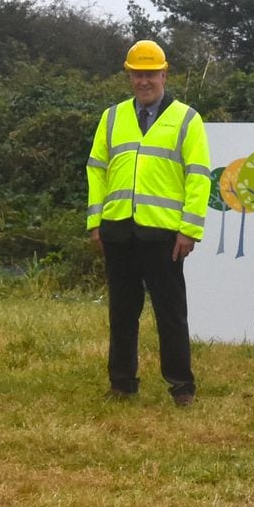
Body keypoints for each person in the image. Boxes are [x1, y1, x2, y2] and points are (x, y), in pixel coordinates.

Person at [86, 39, 210, 406]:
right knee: (122, 311)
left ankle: (181, 386)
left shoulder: (187, 119)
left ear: (164, 74)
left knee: (170, 312)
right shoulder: (112, 118)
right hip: (119, 230)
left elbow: (199, 176)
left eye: (150, 73)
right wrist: (97, 221)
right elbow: (97, 170)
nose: (144, 81)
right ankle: (122, 383)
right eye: (137, 74)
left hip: (164, 233)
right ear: (129, 76)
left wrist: (189, 229)